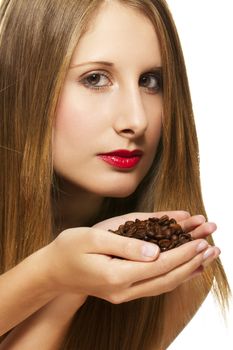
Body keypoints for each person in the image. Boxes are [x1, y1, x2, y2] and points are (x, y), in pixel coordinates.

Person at [0, 0, 230, 349]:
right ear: (24, 85)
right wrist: (49, 273)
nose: (136, 120)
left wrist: (71, 286)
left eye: (150, 81)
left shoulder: (177, 273)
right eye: (95, 78)